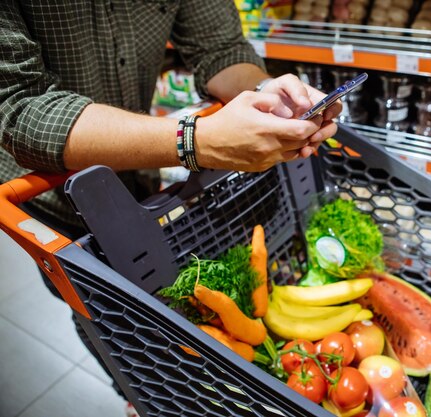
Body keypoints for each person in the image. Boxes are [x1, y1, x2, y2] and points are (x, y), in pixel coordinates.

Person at [0, 1, 341, 416]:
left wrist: (268, 95)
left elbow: (220, 47)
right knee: (105, 319)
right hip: (52, 191)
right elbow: (20, 108)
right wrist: (196, 141)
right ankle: (135, 392)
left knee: (169, 302)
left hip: (141, 165)